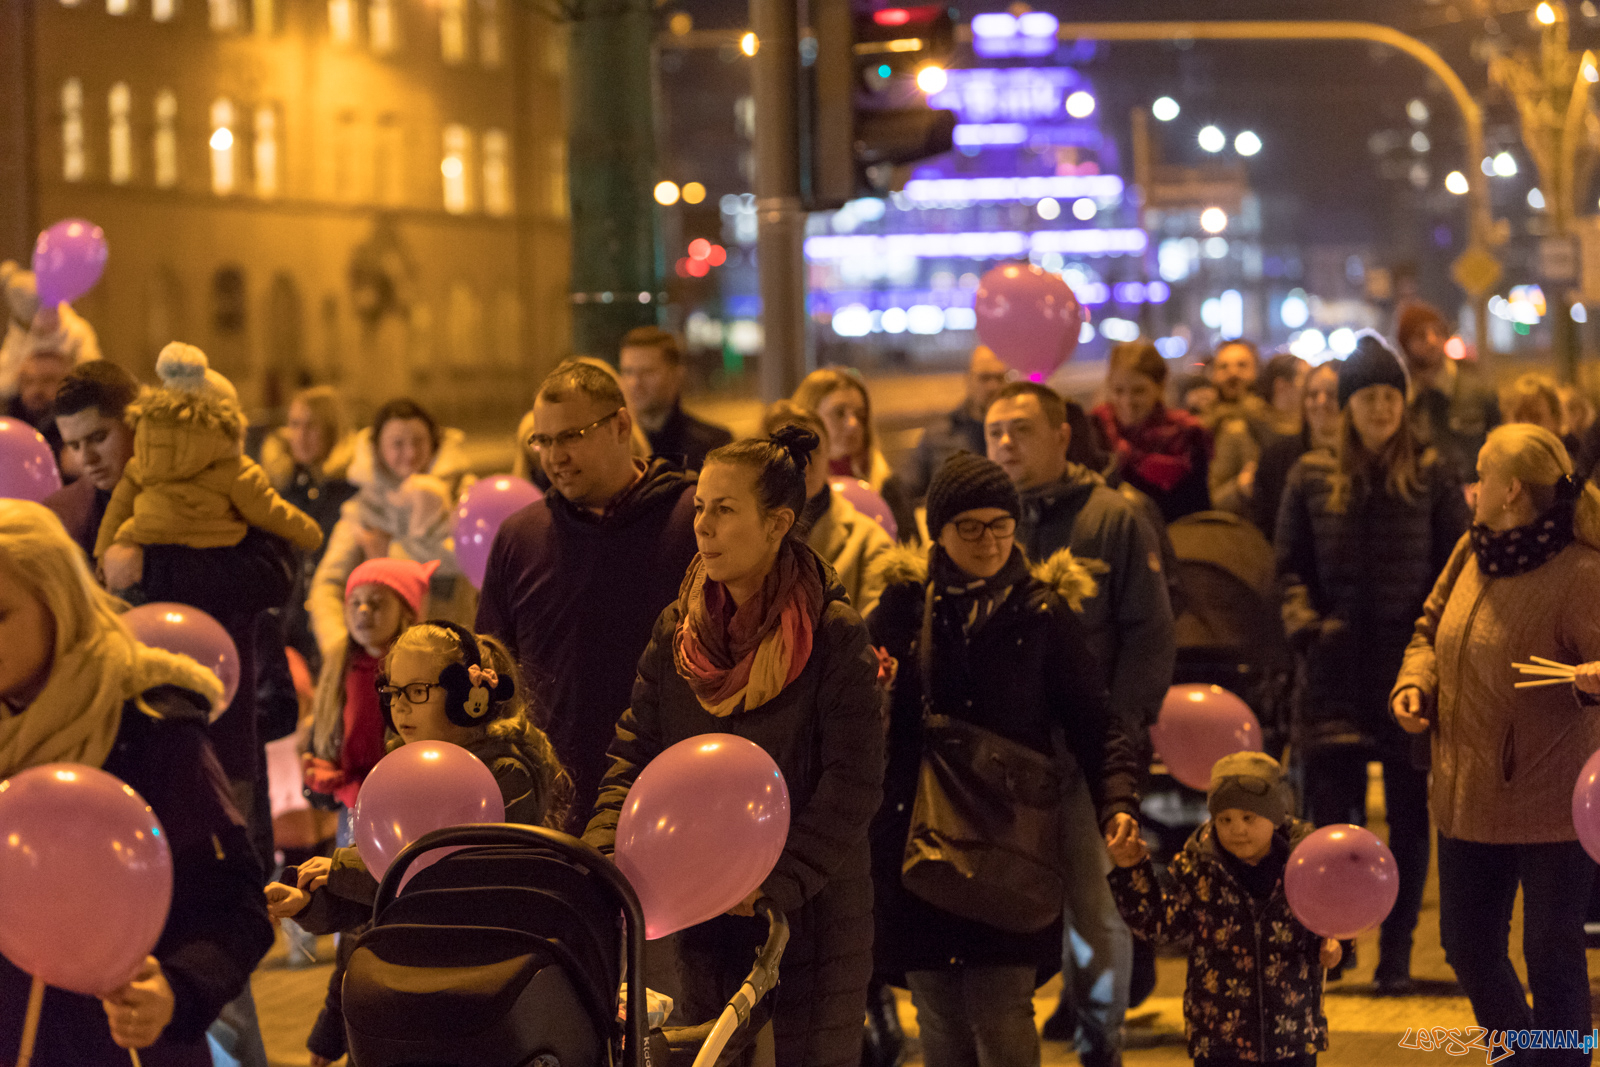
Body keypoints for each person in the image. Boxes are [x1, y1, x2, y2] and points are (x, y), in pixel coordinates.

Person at [584, 426, 883, 1067]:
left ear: (777, 524)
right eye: (699, 508)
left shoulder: (833, 633)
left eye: (724, 510)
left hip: (811, 913)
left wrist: (778, 880)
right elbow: (636, 749)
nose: (704, 527)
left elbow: (853, 782)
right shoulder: (679, 630)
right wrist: (605, 846)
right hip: (704, 908)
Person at [868, 452, 1141, 1067]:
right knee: (938, 1010)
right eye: (970, 527)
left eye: (1001, 524)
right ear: (938, 530)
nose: (988, 541)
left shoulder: (1043, 613)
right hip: (920, 843)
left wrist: (1117, 802)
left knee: (1001, 1006)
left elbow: (1096, 724)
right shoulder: (904, 609)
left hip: (1011, 845)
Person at [0, 501, 274, 1067]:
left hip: (123, 1046)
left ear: (58, 603)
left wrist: (177, 988)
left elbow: (237, 901)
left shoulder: (148, 722)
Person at [268, 621, 570, 1067]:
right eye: (392, 692)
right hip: (412, 986)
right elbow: (387, 905)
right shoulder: (404, 771)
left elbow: (438, 884)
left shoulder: (505, 777)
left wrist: (343, 869)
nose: (400, 707)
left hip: (477, 995)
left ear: (467, 696)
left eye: (417, 691)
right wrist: (309, 903)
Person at [1393, 423, 1600, 1065]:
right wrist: (1416, 683)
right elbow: (1428, 629)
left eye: (1481, 473)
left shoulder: (1582, 574)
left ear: (1510, 490)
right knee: (1468, 943)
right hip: (1465, 791)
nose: (1471, 486)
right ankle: (1526, 1056)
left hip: (1552, 803)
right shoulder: (1472, 550)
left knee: (1551, 950)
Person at [985, 382, 1175, 1067]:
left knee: (1096, 906)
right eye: (995, 431)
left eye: (1021, 430)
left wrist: (1114, 742)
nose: (1006, 443)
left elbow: (1150, 638)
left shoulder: (1112, 519)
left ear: (1063, 436)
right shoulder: (984, 524)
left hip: (1085, 757)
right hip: (1005, 761)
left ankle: (1102, 1042)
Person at [1274, 332, 1469, 993]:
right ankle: (1338, 940)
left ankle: (1397, 952)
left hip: (1405, 672)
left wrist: (1432, 649)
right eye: (1369, 397)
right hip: (1333, 673)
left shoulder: (1435, 473)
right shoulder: (1310, 476)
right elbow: (1289, 568)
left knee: (1411, 821)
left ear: (1403, 403)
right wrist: (1307, 627)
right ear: (1349, 407)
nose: (1381, 408)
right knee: (1335, 819)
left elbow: (1454, 568)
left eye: (1391, 396)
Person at [477, 359, 699, 826]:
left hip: (675, 796)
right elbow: (494, 676)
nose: (554, 455)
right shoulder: (521, 538)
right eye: (543, 440)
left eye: (571, 436)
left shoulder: (691, 522)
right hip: (556, 807)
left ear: (620, 426)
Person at [1106, 752, 1338, 1067]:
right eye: (1224, 819)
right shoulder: (1198, 866)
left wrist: (1335, 946)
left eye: (1248, 818)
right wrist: (1132, 870)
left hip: (1291, 1034)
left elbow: (1329, 921)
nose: (1236, 829)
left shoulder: (1305, 864)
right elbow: (1160, 925)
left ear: (1275, 816)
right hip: (1219, 1038)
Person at [92, 343, 322, 595]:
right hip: (214, 544)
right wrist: (310, 534)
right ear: (228, 421)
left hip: (147, 537)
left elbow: (118, 509)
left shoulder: (142, 458)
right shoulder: (234, 469)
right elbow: (269, 510)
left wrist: (103, 555)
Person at [309, 397, 473, 658]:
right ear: (378, 450)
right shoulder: (365, 510)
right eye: (397, 444)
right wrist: (340, 646)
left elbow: (476, 562)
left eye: (418, 442)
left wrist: (390, 553)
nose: (409, 453)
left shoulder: (464, 498)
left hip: (457, 650)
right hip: (384, 663)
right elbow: (327, 585)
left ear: (435, 443)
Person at [300, 557, 434, 826]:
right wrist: (326, 772)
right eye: (355, 602)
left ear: (406, 611)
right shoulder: (338, 668)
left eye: (376, 602)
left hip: (405, 809)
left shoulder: (422, 673)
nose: (363, 610)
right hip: (351, 811)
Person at [765, 400, 895, 618]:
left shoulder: (868, 541)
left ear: (828, 455)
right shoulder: (741, 535)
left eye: (811, 449)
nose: (801, 462)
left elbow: (870, 639)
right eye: (785, 450)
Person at [261, 386, 359, 673]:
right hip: (285, 631)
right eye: (294, 424)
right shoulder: (278, 490)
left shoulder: (349, 491)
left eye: (311, 425)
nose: (300, 435)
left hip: (333, 627)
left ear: (332, 431)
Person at [1090, 339, 1212, 523]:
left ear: (1159, 387)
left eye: (1138, 391)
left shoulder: (1188, 435)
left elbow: (1197, 510)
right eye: (1118, 391)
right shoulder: (1094, 431)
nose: (1127, 401)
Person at [793, 367, 916, 541]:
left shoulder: (889, 488)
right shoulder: (790, 492)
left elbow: (911, 556)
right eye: (839, 413)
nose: (853, 424)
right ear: (809, 417)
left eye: (861, 415)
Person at [1395, 299, 1499, 482]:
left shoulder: (1476, 388)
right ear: (1406, 344)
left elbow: (1498, 442)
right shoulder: (1400, 396)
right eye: (1421, 335)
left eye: (1438, 332)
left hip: (1471, 491)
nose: (1432, 341)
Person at [44, 360, 139, 559]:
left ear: (134, 424)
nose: (87, 459)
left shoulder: (184, 498)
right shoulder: (59, 515)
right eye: (74, 446)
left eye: (98, 438)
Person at [618, 326, 734, 470]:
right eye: (628, 372)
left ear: (676, 375)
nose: (635, 383)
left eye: (648, 372)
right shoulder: (616, 444)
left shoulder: (712, 447)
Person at [1250, 362, 1341, 543]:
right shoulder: (1276, 457)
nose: (1321, 402)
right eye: (1312, 394)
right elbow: (1263, 526)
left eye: (1332, 394)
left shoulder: (1364, 455)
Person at [905, 345, 1012, 500]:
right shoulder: (940, 434)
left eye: (999, 378)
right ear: (968, 380)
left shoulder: (1016, 436)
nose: (993, 386)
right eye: (984, 378)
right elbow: (903, 489)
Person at [1212, 353, 1306, 517]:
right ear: (1282, 386)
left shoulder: (1309, 431)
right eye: (1306, 379)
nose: (1312, 385)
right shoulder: (1239, 430)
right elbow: (1214, 499)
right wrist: (1240, 487)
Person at [7, 350, 73, 461]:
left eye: (47, 380)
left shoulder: (77, 432)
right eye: (28, 381)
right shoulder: (8, 426)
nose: (36, 390)